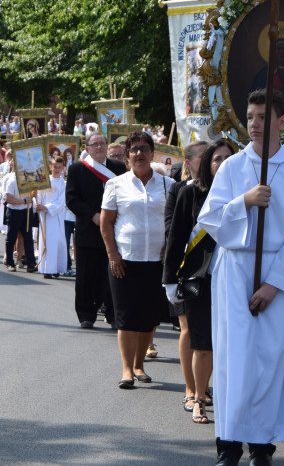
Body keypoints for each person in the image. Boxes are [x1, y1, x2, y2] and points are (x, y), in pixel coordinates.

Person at [197, 89, 284, 466]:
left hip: (279, 278)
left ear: (282, 122)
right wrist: (244, 202)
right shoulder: (233, 167)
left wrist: (273, 284)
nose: (254, 123)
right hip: (235, 272)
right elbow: (211, 220)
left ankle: (262, 446)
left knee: (269, 360)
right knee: (235, 358)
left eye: (264, 117)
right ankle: (228, 445)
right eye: (250, 116)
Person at [164, 139, 231, 424]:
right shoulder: (190, 193)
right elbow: (176, 238)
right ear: (207, 163)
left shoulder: (241, 195)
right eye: (217, 159)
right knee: (201, 341)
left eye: (229, 159)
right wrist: (170, 280)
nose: (223, 164)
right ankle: (199, 398)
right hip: (195, 279)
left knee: (225, 343)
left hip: (231, 279)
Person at [101, 132, 173, 389]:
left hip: (156, 261)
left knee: (150, 318)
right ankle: (126, 370)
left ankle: (139, 364)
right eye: (134, 150)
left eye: (144, 149)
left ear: (153, 153)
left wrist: (170, 247)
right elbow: (106, 223)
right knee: (126, 317)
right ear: (127, 157)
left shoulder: (168, 185)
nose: (139, 153)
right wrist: (113, 255)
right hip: (125, 260)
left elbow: (174, 222)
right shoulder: (116, 184)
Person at [161, 140, 209, 412]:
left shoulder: (222, 189)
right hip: (185, 271)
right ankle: (191, 388)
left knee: (208, 333)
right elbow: (171, 230)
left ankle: (203, 386)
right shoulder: (180, 190)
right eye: (204, 157)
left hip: (212, 272)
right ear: (189, 163)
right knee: (189, 327)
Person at [66, 132, 127, 328]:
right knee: (86, 275)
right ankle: (86, 314)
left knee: (112, 273)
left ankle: (112, 314)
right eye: (95, 144)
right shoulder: (77, 169)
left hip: (114, 230)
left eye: (102, 143)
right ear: (88, 148)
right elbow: (71, 199)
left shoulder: (118, 168)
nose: (100, 147)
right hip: (89, 229)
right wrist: (93, 216)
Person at [1, 154, 37, 272]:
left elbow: (34, 194)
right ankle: (10, 262)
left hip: (26, 211)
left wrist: (33, 194)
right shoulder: (11, 181)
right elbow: (9, 199)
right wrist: (24, 200)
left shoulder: (29, 179)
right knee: (11, 238)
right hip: (14, 212)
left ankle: (31, 263)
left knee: (28, 237)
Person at [36, 156, 69, 279]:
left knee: (57, 242)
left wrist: (47, 207)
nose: (56, 169)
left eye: (59, 167)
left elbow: (62, 201)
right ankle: (47, 269)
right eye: (55, 166)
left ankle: (56, 268)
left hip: (56, 216)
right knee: (46, 242)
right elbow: (39, 195)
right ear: (50, 167)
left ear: (63, 169)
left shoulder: (64, 184)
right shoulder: (44, 181)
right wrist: (38, 204)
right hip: (44, 217)